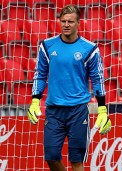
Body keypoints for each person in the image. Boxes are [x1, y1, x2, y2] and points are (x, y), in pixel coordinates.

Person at [27, 4, 112, 171]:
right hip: (54, 110)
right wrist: (35, 101)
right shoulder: (47, 46)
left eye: (70, 22)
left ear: (78, 23)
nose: (66, 24)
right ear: (59, 21)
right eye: (63, 21)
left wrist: (103, 110)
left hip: (78, 110)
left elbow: (98, 79)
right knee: (51, 157)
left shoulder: (90, 49)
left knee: (76, 161)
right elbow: (40, 74)